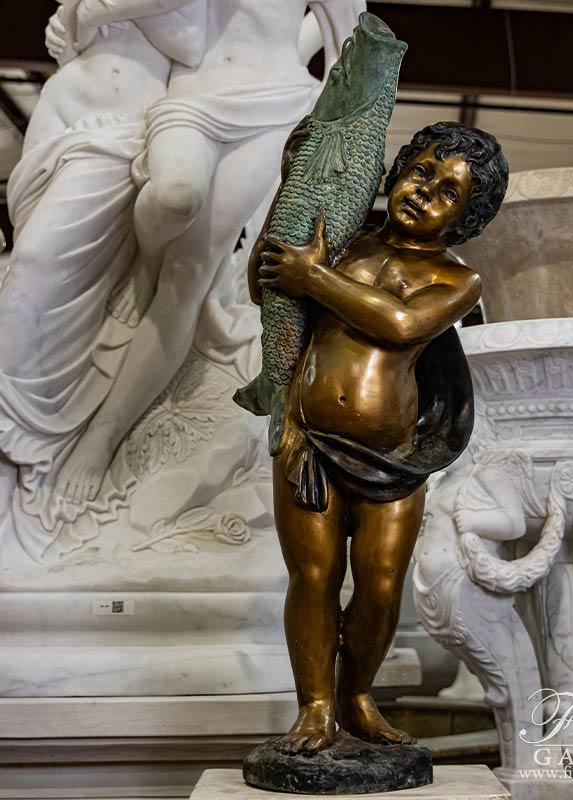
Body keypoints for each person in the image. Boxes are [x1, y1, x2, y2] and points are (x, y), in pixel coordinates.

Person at [252, 122, 508, 753]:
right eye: (421, 172)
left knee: (381, 583)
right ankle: (314, 707)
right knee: (313, 576)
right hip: (308, 440)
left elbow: (399, 324)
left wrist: (316, 280)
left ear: (463, 220)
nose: (425, 192)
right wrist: (294, 188)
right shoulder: (343, 243)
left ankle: (356, 696)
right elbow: (266, 284)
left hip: (394, 456)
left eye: (448, 193)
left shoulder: (457, 279)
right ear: (397, 170)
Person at [55, 0, 365, 505]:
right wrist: (79, 16)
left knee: (190, 270)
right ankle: (142, 273)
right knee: (174, 196)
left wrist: (325, 142)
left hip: (276, 103)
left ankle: (103, 435)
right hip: (193, 97)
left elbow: (350, 52)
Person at [0, 0, 206, 561]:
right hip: (64, 115)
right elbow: (63, 37)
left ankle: (35, 433)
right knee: (26, 268)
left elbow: (189, 42)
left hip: (126, 132)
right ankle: (14, 443)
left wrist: (93, 12)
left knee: (38, 266)